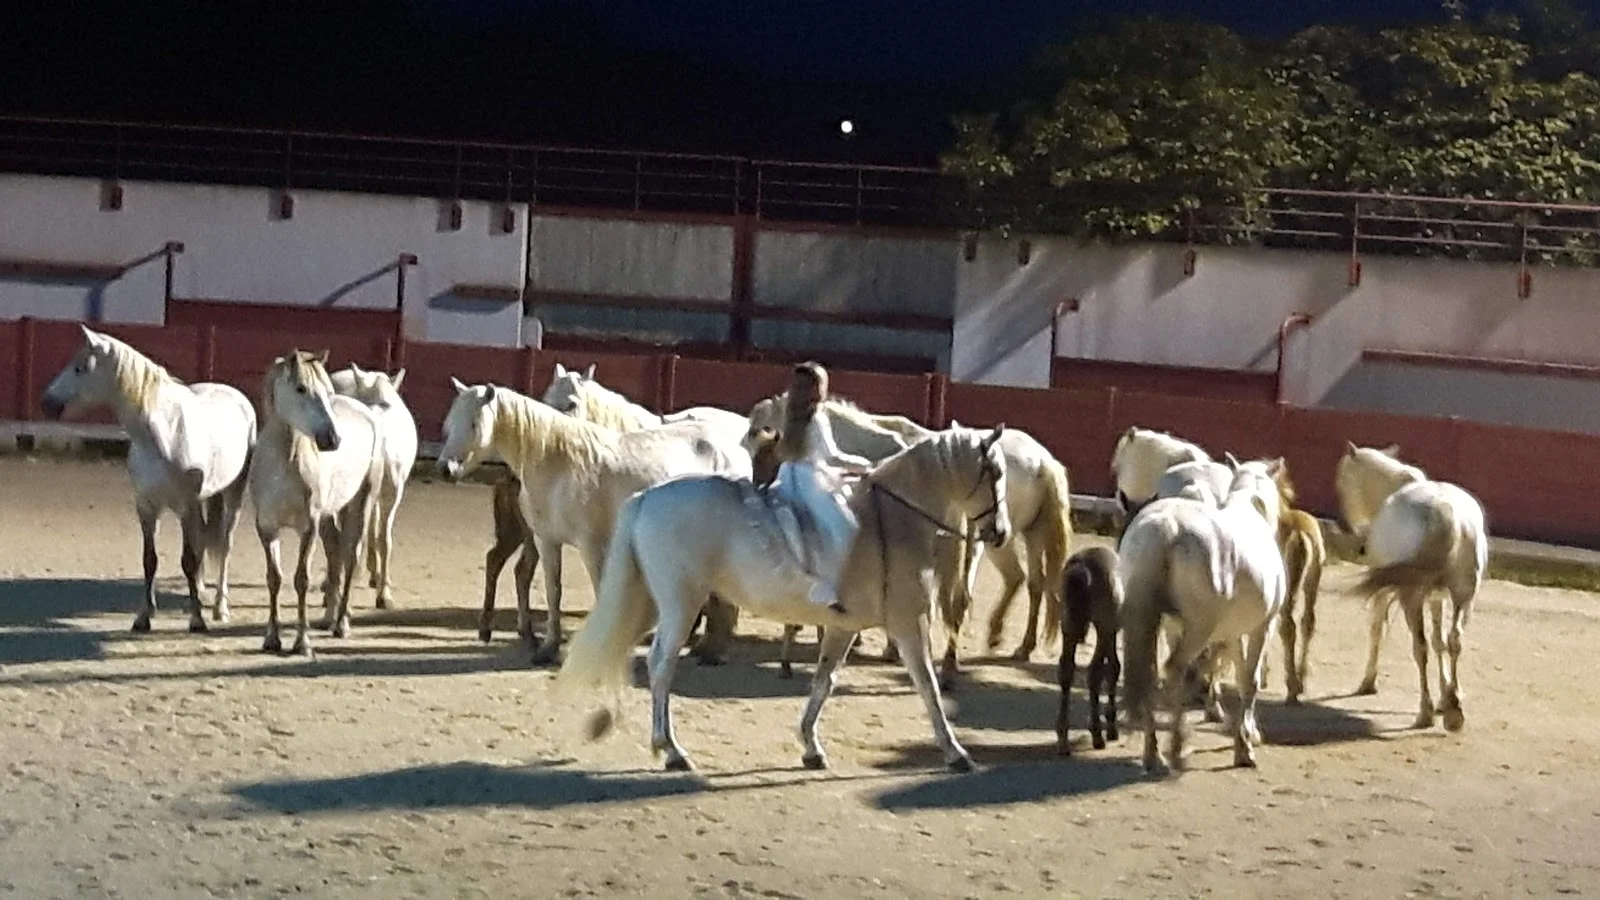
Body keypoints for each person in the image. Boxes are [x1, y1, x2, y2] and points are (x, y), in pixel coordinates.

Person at [769, 362, 872, 612]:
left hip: (786, 476)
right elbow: (833, 457)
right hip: (811, 481)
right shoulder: (817, 417)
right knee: (848, 529)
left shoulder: (787, 411)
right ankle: (834, 589)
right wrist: (866, 466)